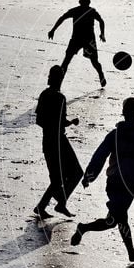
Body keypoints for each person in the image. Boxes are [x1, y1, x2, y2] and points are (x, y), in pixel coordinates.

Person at [70, 97, 134, 263]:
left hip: (114, 182)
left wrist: (90, 176)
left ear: (123, 113)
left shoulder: (114, 136)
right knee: (119, 218)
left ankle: (84, 228)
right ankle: (130, 252)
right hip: (129, 186)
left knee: (113, 220)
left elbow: (99, 156)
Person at [33, 66, 83, 219]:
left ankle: (42, 207)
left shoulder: (44, 94)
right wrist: (69, 123)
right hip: (59, 142)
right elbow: (60, 122)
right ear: (61, 79)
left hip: (47, 141)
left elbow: (39, 120)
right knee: (76, 173)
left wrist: (56, 125)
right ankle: (61, 202)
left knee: (57, 178)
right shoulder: (60, 98)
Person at [48, 0, 107, 88]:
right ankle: (100, 73)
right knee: (68, 61)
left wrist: (53, 30)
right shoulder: (87, 11)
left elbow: (62, 18)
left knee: (71, 62)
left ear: (81, 1)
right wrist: (102, 33)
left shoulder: (83, 11)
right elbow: (101, 21)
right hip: (83, 39)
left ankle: (100, 74)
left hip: (81, 39)